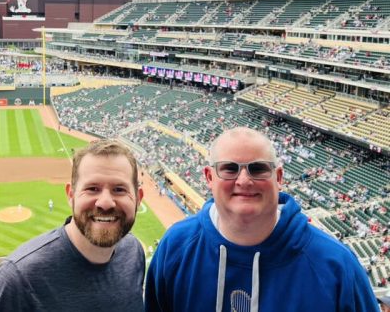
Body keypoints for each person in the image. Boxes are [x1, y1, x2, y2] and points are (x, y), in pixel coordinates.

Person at [145, 127, 378, 312]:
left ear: (278, 177)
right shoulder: (175, 246)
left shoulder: (336, 264)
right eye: (229, 169)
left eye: (257, 169)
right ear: (209, 177)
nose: (244, 180)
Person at [0, 139, 145, 311]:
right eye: (92, 188)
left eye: (119, 189)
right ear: (71, 195)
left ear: (138, 198)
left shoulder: (133, 252)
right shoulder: (17, 279)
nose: (105, 202)